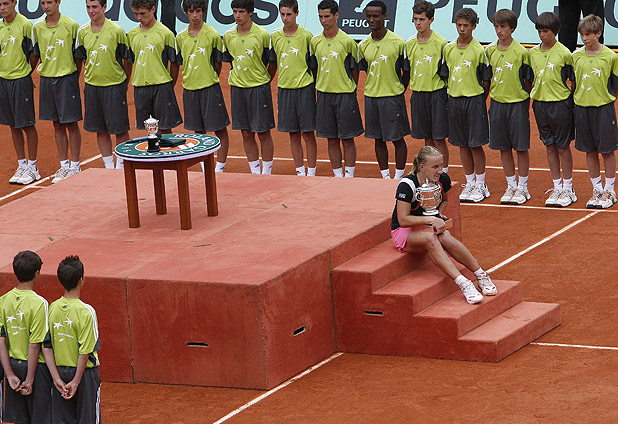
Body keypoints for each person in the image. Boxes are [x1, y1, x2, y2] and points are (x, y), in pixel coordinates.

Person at [390, 146, 497, 305]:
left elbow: (444, 200)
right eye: (435, 167)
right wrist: (432, 220)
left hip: (425, 225)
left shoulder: (442, 179)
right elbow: (403, 220)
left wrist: (437, 214)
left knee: (446, 237)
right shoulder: (407, 185)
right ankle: (464, 284)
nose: (440, 170)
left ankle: (481, 275)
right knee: (431, 239)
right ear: (422, 167)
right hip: (404, 231)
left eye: (441, 165)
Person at [0, 251, 64, 424]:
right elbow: (35, 344)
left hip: (13, 367)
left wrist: (9, 374)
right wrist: (29, 379)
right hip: (36, 370)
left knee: (20, 420)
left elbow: (1, 341)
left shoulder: (3, 300)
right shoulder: (40, 303)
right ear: (37, 273)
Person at [439, 8, 492, 203]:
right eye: (459, 25)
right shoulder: (448, 49)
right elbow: (446, 75)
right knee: (462, 144)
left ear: (474, 26)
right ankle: (470, 182)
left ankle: (481, 184)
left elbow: (486, 80)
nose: (462, 29)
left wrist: (478, 99)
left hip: (474, 101)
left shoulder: (479, 51)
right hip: (455, 101)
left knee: (475, 144)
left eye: (466, 25)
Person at [76, 0, 132, 170]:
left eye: (94, 7)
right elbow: (83, 58)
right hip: (92, 87)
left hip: (114, 86)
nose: (91, 11)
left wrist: (124, 83)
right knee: (100, 129)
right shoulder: (82, 32)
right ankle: (108, 166)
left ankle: (121, 166)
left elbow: (127, 60)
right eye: (88, 7)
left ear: (104, 7)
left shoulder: (117, 31)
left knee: (120, 129)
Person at [310, 0, 363, 178]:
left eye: (327, 16)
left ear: (336, 16)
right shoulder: (315, 42)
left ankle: (349, 175)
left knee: (347, 138)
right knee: (331, 139)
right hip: (324, 95)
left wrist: (349, 88)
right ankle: (338, 175)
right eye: (320, 17)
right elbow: (315, 68)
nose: (323, 20)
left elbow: (354, 70)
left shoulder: (347, 42)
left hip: (345, 96)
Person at [485, 9, 533, 205]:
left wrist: (522, 99)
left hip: (518, 105)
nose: (499, 30)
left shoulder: (521, 52)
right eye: (496, 26)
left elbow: (528, 81)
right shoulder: (489, 51)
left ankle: (523, 187)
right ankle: (511, 185)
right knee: (504, 148)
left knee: (521, 148)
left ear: (512, 28)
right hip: (497, 104)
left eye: (503, 26)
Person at [222, 0, 276, 175]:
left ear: (250, 12)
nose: (237, 15)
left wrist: (264, 80)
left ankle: (266, 173)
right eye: (235, 11)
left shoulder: (262, 35)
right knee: (246, 133)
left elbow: (272, 62)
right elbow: (231, 61)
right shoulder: (228, 36)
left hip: (259, 89)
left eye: (241, 12)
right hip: (238, 89)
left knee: (263, 132)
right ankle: (255, 172)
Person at [177, 0, 231, 173]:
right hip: (190, 89)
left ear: (203, 12)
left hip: (210, 88)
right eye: (191, 11)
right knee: (198, 131)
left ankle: (219, 168)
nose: (194, 15)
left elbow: (218, 64)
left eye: (198, 11)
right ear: (186, 12)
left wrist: (208, 78)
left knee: (219, 129)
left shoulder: (213, 35)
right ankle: (204, 166)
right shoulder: (180, 37)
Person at [530, 12, 577, 207]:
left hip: (560, 104)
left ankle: (568, 188)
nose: (542, 35)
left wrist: (568, 102)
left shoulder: (565, 53)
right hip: (540, 104)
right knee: (549, 145)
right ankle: (557, 186)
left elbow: (573, 81)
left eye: (546, 31)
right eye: (539, 31)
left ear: (555, 31)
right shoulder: (532, 53)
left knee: (563, 146)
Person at [47, 255, 101, 423]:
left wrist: (56, 379)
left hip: (60, 374)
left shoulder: (52, 308)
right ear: (81, 280)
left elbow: (46, 346)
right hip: (84, 375)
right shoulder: (87, 312)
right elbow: (85, 351)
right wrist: (76, 382)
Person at [33, 0, 82, 184]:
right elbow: (37, 54)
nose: (46, 6)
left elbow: (78, 58)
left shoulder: (72, 26)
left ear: (58, 2)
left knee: (71, 123)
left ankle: (75, 165)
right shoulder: (37, 27)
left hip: (67, 79)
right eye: (43, 3)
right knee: (57, 124)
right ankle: (64, 165)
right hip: (47, 80)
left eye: (50, 2)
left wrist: (71, 77)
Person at [571, 14, 618, 209]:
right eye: (582, 35)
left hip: (604, 110)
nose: (584, 39)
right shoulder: (575, 57)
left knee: (606, 150)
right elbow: (574, 83)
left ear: (598, 33)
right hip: (582, 109)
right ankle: (597, 189)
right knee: (590, 151)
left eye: (588, 35)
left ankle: (610, 190)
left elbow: (615, 85)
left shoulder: (611, 57)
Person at [358, 0, 409, 179]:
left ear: (385, 16)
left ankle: (399, 177)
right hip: (372, 97)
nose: (371, 20)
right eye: (368, 16)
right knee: (378, 139)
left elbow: (406, 72)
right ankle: (385, 177)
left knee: (397, 138)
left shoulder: (398, 43)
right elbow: (366, 68)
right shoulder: (363, 45)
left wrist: (398, 89)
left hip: (392, 98)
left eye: (376, 16)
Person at [270, 0, 318, 177]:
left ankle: (311, 171)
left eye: (289, 14)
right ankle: (300, 171)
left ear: (297, 13)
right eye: (282, 14)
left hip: (304, 89)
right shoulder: (275, 36)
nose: (285, 18)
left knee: (308, 134)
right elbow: (274, 62)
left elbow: (313, 65)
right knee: (293, 134)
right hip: (285, 90)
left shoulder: (306, 36)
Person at [127, 0, 182, 139]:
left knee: (165, 130)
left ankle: (169, 154)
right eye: (136, 14)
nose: (139, 17)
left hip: (162, 87)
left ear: (153, 9)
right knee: (150, 130)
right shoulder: (132, 34)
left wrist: (169, 85)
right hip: (140, 87)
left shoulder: (166, 33)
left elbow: (174, 63)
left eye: (142, 13)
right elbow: (130, 61)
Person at [406, 0, 449, 174]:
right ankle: (431, 174)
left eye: (422, 19)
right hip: (418, 95)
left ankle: (443, 174)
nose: (418, 23)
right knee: (427, 139)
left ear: (431, 20)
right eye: (415, 19)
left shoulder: (442, 43)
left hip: (437, 95)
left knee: (439, 139)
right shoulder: (409, 44)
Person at [0, 0, 40, 185]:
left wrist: (25, 74)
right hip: (3, 81)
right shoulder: (0, 27)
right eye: (0, 4)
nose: (2, 8)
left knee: (27, 124)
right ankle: (22, 164)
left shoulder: (25, 25)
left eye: (5, 3)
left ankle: (33, 167)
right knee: (13, 125)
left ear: (14, 3)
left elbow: (34, 54)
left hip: (21, 81)